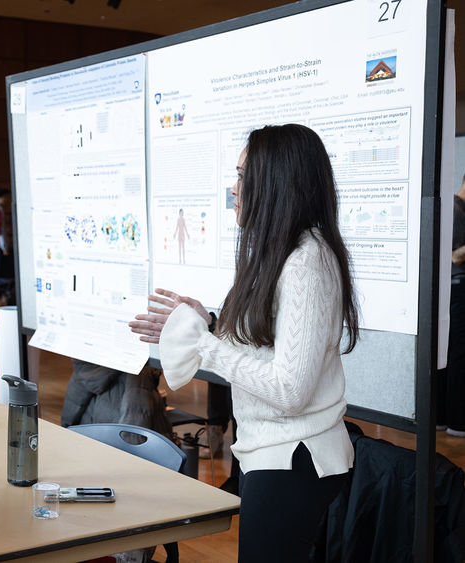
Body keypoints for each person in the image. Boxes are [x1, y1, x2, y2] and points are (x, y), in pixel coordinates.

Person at [130, 123, 359, 562]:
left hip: (296, 459)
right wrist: (211, 323)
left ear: (274, 181)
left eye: (241, 176)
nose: (233, 189)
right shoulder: (283, 252)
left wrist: (205, 343)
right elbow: (271, 338)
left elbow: (290, 390)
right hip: (272, 455)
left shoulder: (307, 263)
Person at [438, 174, 465, 437]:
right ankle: (456, 423)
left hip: (457, 290)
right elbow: (456, 256)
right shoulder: (455, 209)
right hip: (456, 290)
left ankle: (447, 419)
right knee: (458, 355)